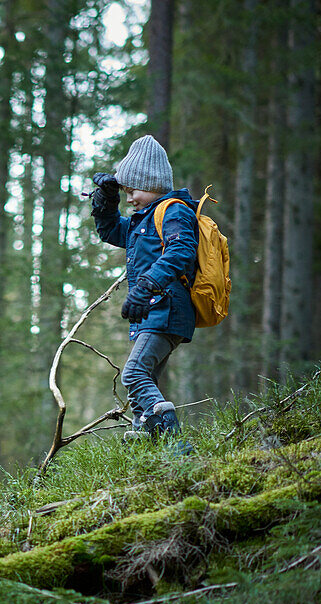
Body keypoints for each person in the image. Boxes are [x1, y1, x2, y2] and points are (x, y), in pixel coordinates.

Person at [90, 135, 197, 447]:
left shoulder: (174, 212)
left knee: (134, 375)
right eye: (124, 192)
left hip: (166, 310)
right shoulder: (142, 221)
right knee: (143, 383)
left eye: (131, 190)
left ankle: (178, 448)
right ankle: (148, 450)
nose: (129, 198)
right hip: (152, 313)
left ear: (152, 184)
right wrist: (106, 200)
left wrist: (147, 285)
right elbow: (110, 230)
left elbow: (182, 250)